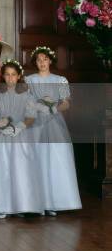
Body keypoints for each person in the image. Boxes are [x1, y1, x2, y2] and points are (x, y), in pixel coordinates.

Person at [25, 46, 81, 216]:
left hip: (54, 121)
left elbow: (66, 102)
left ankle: (57, 201)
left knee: (57, 158)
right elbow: (25, 100)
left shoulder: (60, 80)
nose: (42, 62)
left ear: (50, 61)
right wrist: (37, 107)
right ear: (35, 62)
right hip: (35, 121)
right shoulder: (29, 80)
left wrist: (53, 109)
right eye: (38, 60)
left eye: (45, 59)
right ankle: (38, 202)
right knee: (37, 159)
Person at [0, 60, 45, 217]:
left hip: (21, 134)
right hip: (1, 135)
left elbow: (31, 116)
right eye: (7, 75)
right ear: (3, 76)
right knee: (1, 167)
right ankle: (1, 206)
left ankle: (21, 204)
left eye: (13, 75)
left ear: (19, 76)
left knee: (21, 168)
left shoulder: (27, 94)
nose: (10, 78)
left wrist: (20, 126)